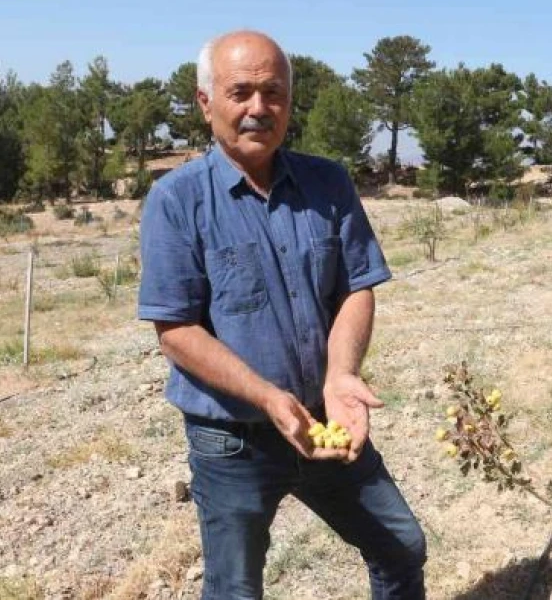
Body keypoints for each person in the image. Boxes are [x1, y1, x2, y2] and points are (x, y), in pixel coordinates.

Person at [137, 30, 427, 600]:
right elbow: (175, 330)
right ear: (206, 103)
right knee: (234, 591)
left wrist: (341, 373)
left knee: (401, 546)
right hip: (233, 441)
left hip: (327, 423)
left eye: (273, 93)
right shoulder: (176, 200)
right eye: (240, 91)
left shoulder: (328, 182)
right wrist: (268, 398)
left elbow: (356, 287)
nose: (258, 108)